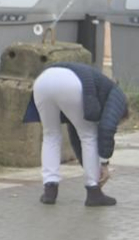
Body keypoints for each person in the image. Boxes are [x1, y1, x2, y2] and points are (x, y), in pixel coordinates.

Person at [23, 62, 129, 207]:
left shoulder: (102, 89)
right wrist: (104, 164)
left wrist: (92, 167)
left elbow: (75, 137)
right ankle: (93, 192)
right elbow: (107, 128)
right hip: (69, 83)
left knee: (50, 135)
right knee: (88, 135)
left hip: (42, 80)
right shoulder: (118, 97)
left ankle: (50, 190)